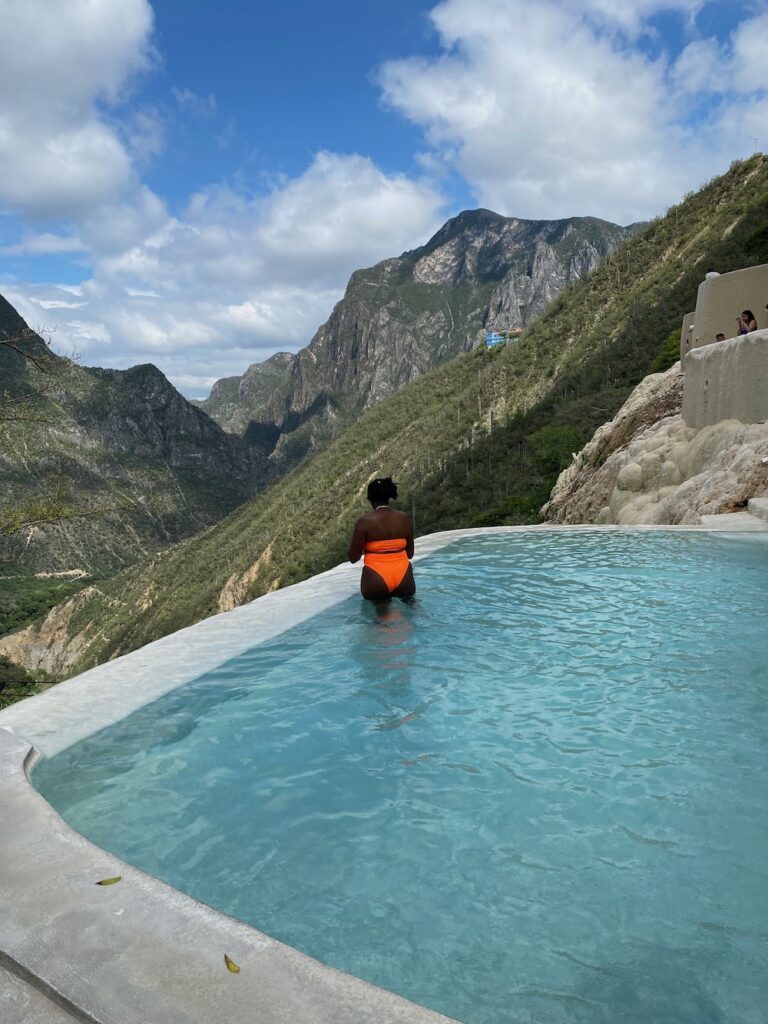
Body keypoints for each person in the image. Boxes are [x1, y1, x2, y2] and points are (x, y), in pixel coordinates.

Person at [347, 477, 415, 600]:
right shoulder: (404, 518)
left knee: (381, 616)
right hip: (404, 576)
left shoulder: (365, 522)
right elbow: (410, 554)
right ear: (388, 497)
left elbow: (353, 557)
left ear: (370, 500)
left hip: (376, 578)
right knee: (410, 614)